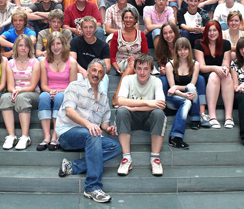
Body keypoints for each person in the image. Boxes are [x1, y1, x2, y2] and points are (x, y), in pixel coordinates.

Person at [56, 59, 121, 203]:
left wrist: (108, 128)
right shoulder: (75, 86)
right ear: (88, 71)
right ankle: (92, 187)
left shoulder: (104, 98)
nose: (96, 74)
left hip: (90, 136)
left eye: (100, 72)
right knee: (92, 133)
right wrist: (88, 124)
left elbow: (104, 123)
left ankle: (73, 166)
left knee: (115, 147)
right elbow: (69, 111)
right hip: (68, 133)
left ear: (103, 76)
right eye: (94, 70)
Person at [116, 53, 166, 176]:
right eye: (139, 68)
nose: (142, 72)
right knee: (121, 111)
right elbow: (120, 101)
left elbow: (161, 104)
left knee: (159, 113)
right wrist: (147, 102)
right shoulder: (127, 79)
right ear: (135, 69)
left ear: (151, 70)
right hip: (131, 119)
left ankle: (155, 158)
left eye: (146, 69)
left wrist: (134, 107)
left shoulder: (156, 81)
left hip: (149, 118)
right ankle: (126, 159)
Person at [155, 22, 210, 128]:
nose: (168, 35)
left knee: (201, 79)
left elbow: (191, 82)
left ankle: (201, 113)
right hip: (172, 76)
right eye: (165, 33)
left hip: (186, 78)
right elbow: (162, 64)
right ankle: (163, 107)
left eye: (171, 32)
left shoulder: (183, 44)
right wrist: (163, 69)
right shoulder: (161, 47)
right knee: (162, 79)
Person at [0, 35, 40, 150]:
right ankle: (11, 136)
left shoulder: (35, 62)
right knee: (5, 97)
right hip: (16, 91)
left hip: (32, 94)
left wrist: (19, 91)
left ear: (30, 48)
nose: (23, 48)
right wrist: (14, 91)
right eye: (21, 45)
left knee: (22, 98)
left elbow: (32, 86)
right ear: (16, 47)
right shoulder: (10, 63)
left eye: (26, 46)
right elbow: (10, 86)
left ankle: (25, 136)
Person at [38, 32, 77, 151]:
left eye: (58, 44)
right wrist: (51, 91)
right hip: (50, 91)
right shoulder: (43, 62)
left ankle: (55, 136)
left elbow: (73, 86)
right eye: (53, 44)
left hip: (66, 92)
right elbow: (44, 85)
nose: (56, 47)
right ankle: (47, 137)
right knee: (43, 97)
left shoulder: (72, 62)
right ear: (49, 47)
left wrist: (58, 91)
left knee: (60, 98)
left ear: (64, 45)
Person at [194, 20, 234, 129]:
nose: (212, 33)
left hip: (220, 74)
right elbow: (201, 67)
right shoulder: (199, 44)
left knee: (228, 75)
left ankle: (229, 117)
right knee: (214, 75)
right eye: (209, 31)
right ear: (206, 32)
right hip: (206, 75)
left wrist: (225, 69)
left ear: (219, 31)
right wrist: (215, 68)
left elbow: (226, 63)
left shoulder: (225, 44)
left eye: (214, 30)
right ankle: (212, 116)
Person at [166, 37, 200, 149]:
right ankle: (175, 137)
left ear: (189, 50)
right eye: (180, 49)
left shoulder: (195, 64)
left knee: (190, 88)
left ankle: (194, 119)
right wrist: (183, 94)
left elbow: (192, 85)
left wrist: (178, 87)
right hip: (173, 98)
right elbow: (172, 90)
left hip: (189, 95)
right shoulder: (169, 65)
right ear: (176, 51)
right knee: (187, 101)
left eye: (185, 49)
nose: (183, 52)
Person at [110, 7, 148, 106]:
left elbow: (146, 55)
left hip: (139, 63)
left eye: (131, 18)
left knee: (133, 63)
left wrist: (136, 59)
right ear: (122, 20)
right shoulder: (116, 34)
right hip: (121, 63)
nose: (128, 20)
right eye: (126, 17)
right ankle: (124, 98)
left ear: (135, 19)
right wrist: (118, 70)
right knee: (132, 64)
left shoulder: (141, 34)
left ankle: (117, 95)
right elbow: (112, 57)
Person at [70, 16, 111, 94]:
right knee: (78, 76)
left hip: (97, 73)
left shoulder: (103, 45)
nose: (88, 30)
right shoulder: (75, 42)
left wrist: (94, 73)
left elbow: (108, 67)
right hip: (81, 73)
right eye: (85, 27)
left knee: (105, 77)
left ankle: (100, 103)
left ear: (95, 29)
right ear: (81, 29)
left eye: (91, 27)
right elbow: (72, 61)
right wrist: (84, 72)